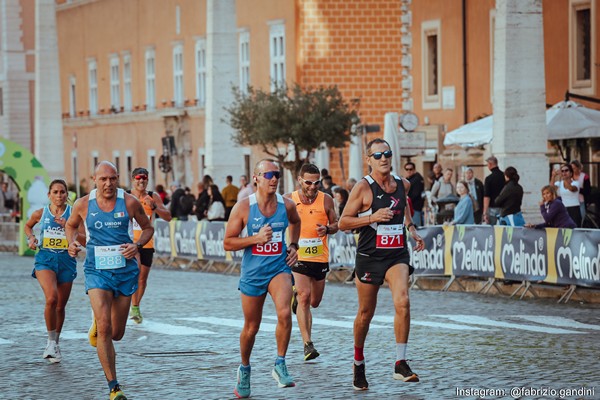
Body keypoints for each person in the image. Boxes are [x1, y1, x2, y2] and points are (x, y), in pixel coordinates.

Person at [338, 138, 425, 391]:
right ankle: (358, 361)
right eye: (378, 155)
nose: (384, 158)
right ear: (369, 160)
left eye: (387, 153)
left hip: (396, 254)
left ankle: (400, 362)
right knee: (366, 314)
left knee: (403, 301)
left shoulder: (402, 183)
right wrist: (372, 217)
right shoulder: (363, 189)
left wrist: (411, 228)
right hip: (369, 257)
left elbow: (404, 205)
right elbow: (344, 223)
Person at [66, 161, 154, 400]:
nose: (108, 183)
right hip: (97, 270)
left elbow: (148, 228)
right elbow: (71, 225)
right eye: (103, 179)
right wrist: (71, 242)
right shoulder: (83, 204)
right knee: (105, 327)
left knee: (116, 333)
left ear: (118, 179)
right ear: (94, 180)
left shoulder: (129, 202)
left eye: (112, 179)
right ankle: (114, 387)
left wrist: (136, 245)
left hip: (124, 270)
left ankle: (99, 320)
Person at [223, 159, 300, 399]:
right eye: (268, 175)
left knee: (285, 313)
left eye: (276, 174)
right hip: (253, 273)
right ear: (256, 178)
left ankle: (280, 363)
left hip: (278, 269)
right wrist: (254, 239)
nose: (274, 179)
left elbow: (296, 222)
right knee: (251, 327)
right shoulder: (244, 207)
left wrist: (294, 245)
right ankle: (244, 368)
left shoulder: (286, 205)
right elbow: (228, 242)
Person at [24, 179, 83, 363]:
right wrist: (31, 238)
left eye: (62, 192)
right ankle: (50, 342)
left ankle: (55, 343)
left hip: (66, 261)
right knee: (51, 298)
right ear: (49, 195)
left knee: (60, 306)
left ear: (67, 195)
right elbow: (28, 226)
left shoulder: (74, 215)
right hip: (45, 259)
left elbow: (84, 237)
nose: (59, 195)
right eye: (55, 192)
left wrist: (69, 227)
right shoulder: (41, 213)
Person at [284, 163, 338, 362]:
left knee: (314, 302)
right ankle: (308, 344)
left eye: (317, 183)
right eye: (309, 182)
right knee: (305, 296)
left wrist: (328, 229)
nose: (313, 186)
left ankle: (297, 300)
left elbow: (336, 223)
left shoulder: (327, 200)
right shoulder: (289, 199)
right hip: (298, 255)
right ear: (300, 180)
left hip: (319, 257)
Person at [128, 167, 172, 324]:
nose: (141, 181)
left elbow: (168, 217)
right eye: (138, 178)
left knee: (142, 278)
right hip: (130, 242)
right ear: (133, 179)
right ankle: (129, 304)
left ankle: (135, 306)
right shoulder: (126, 196)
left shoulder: (152, 196)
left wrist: (154, 207)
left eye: (144, 178)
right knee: (135, 272)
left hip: (147, 242)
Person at [551, 163, 581, 227]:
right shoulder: (559, 183)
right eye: (562, 171)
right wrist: (553, 176)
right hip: (564, 209)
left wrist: (563, 178)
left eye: (566, 170)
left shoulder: (576, 183)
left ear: (571, 173)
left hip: (574, 209)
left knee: (575, 229)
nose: (564, 172)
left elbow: (571, 188)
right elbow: (551, 189)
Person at [483, 156, 505, 225]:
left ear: (490, 164)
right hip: (504, 208)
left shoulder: (489, 178)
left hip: (492, 208)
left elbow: (487, 196)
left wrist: (485, 212)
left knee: (491, 231)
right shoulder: (504, 176)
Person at [570, 160, 591, 226]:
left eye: (574, 168)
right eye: (571, 168)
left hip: (581, 201)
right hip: (571, 201)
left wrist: (577, 189)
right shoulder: (569, 177)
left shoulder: (584, 177)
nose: (572, 170)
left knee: (581, 217)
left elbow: (588, 190)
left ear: (578, 168)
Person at [404, 162, 425, 226]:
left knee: (416, 228)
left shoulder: (417, 179)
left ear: (414, 169)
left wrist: (406, 201)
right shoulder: (409, 179)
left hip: (415, 207)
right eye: (407, 169)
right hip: (411, 208)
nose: (409, 171)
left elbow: (415, 194)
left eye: (410, 169)